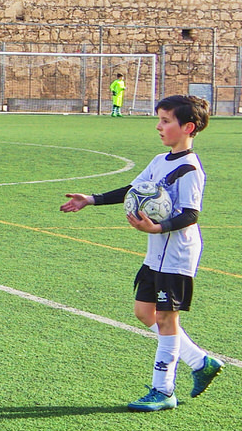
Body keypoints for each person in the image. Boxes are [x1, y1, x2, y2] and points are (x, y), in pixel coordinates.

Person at [59, 95, 220, 411]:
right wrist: (91, 199)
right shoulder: (160, 161)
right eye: (159, 120)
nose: (159, 127)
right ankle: (200, 362)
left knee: (165, 316)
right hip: (156, 252)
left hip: (177, 254)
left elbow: (190, 213)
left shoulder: (190, 168)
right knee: (144, 313)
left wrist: (157, 229)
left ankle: (163, 390)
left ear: (187, 127)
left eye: (166, 121)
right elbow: (134, 191)